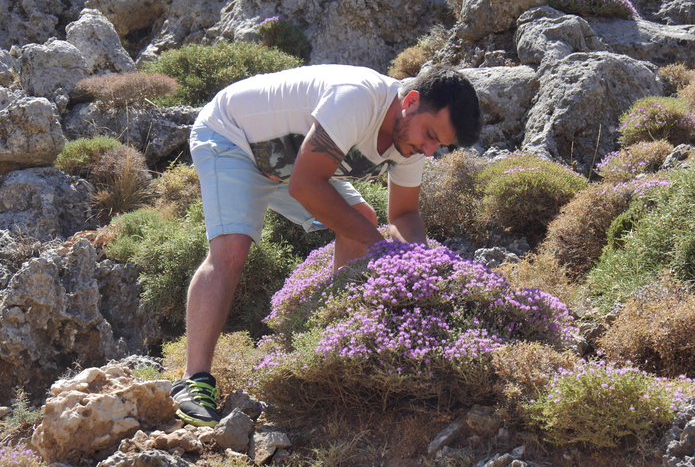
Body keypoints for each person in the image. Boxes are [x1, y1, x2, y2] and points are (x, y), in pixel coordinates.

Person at [169, 63, 482, 426]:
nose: (428, 151)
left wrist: (419, 268)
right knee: (233, 249)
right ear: (410, 101)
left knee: (361, 221)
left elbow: (405, 215)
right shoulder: (357, 99)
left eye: (438, 145)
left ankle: (333, 337)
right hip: (232, 137)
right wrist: (382, 248)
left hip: (292, 163)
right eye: (429, 134)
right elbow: (306, 186)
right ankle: (194, 382)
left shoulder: (411, 143)